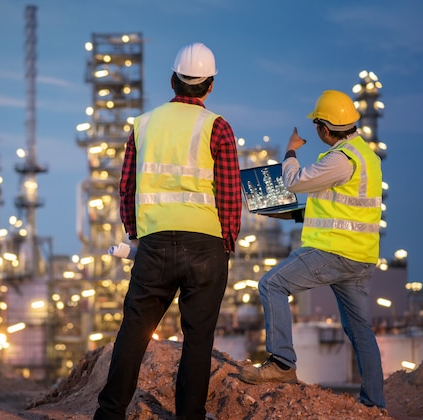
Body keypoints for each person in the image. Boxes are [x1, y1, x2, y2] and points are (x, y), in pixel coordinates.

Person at [93, 42, 242, 420]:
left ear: (173, 80)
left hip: (155, 244)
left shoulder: (143, 125)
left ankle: (109, 414)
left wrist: (135, 235)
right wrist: (227, 241)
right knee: (198, 339)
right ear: (210, 86)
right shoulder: (218, 127)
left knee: (133, 333)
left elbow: (127, 187)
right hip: (206, 247)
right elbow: (228, 193)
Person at [238, 90, 386, 409]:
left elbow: (293, 182)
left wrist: (290, 152)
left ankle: (281, 363)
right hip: (359, 256)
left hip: (334, 252)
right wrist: (285, 212)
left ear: (324, 127)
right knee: (360, 329)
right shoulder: (366, 157)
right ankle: (375, 403)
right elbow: (342, 206)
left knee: (271, 284)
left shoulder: (340, 158)